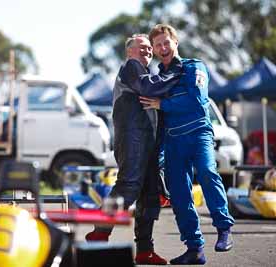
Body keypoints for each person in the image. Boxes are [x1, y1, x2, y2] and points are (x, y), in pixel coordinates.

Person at [139, 24, 235, 265]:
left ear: (175, 43)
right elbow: (158, 119)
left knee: (206, 172)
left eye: (166, 43)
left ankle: (224, 228)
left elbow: (196, 100)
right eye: (157, 45)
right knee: (180, 195)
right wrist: (157, 153)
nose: (162, 48)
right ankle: (195, 249)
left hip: (199, 133)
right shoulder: (157, 78)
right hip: (173, 142)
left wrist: (163, 103)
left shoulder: (195, 67)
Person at [85, 33, 182, 265]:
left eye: (150, 48)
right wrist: (176, 72)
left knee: (149, 196)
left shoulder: (148, 72)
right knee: (128, 185)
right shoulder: (132, 67)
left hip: (148, 143)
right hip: (132, 139)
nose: (148, 51)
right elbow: (148, 87)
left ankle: (144, 250)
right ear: (129, 51)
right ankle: (99, 233)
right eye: (143, 47)